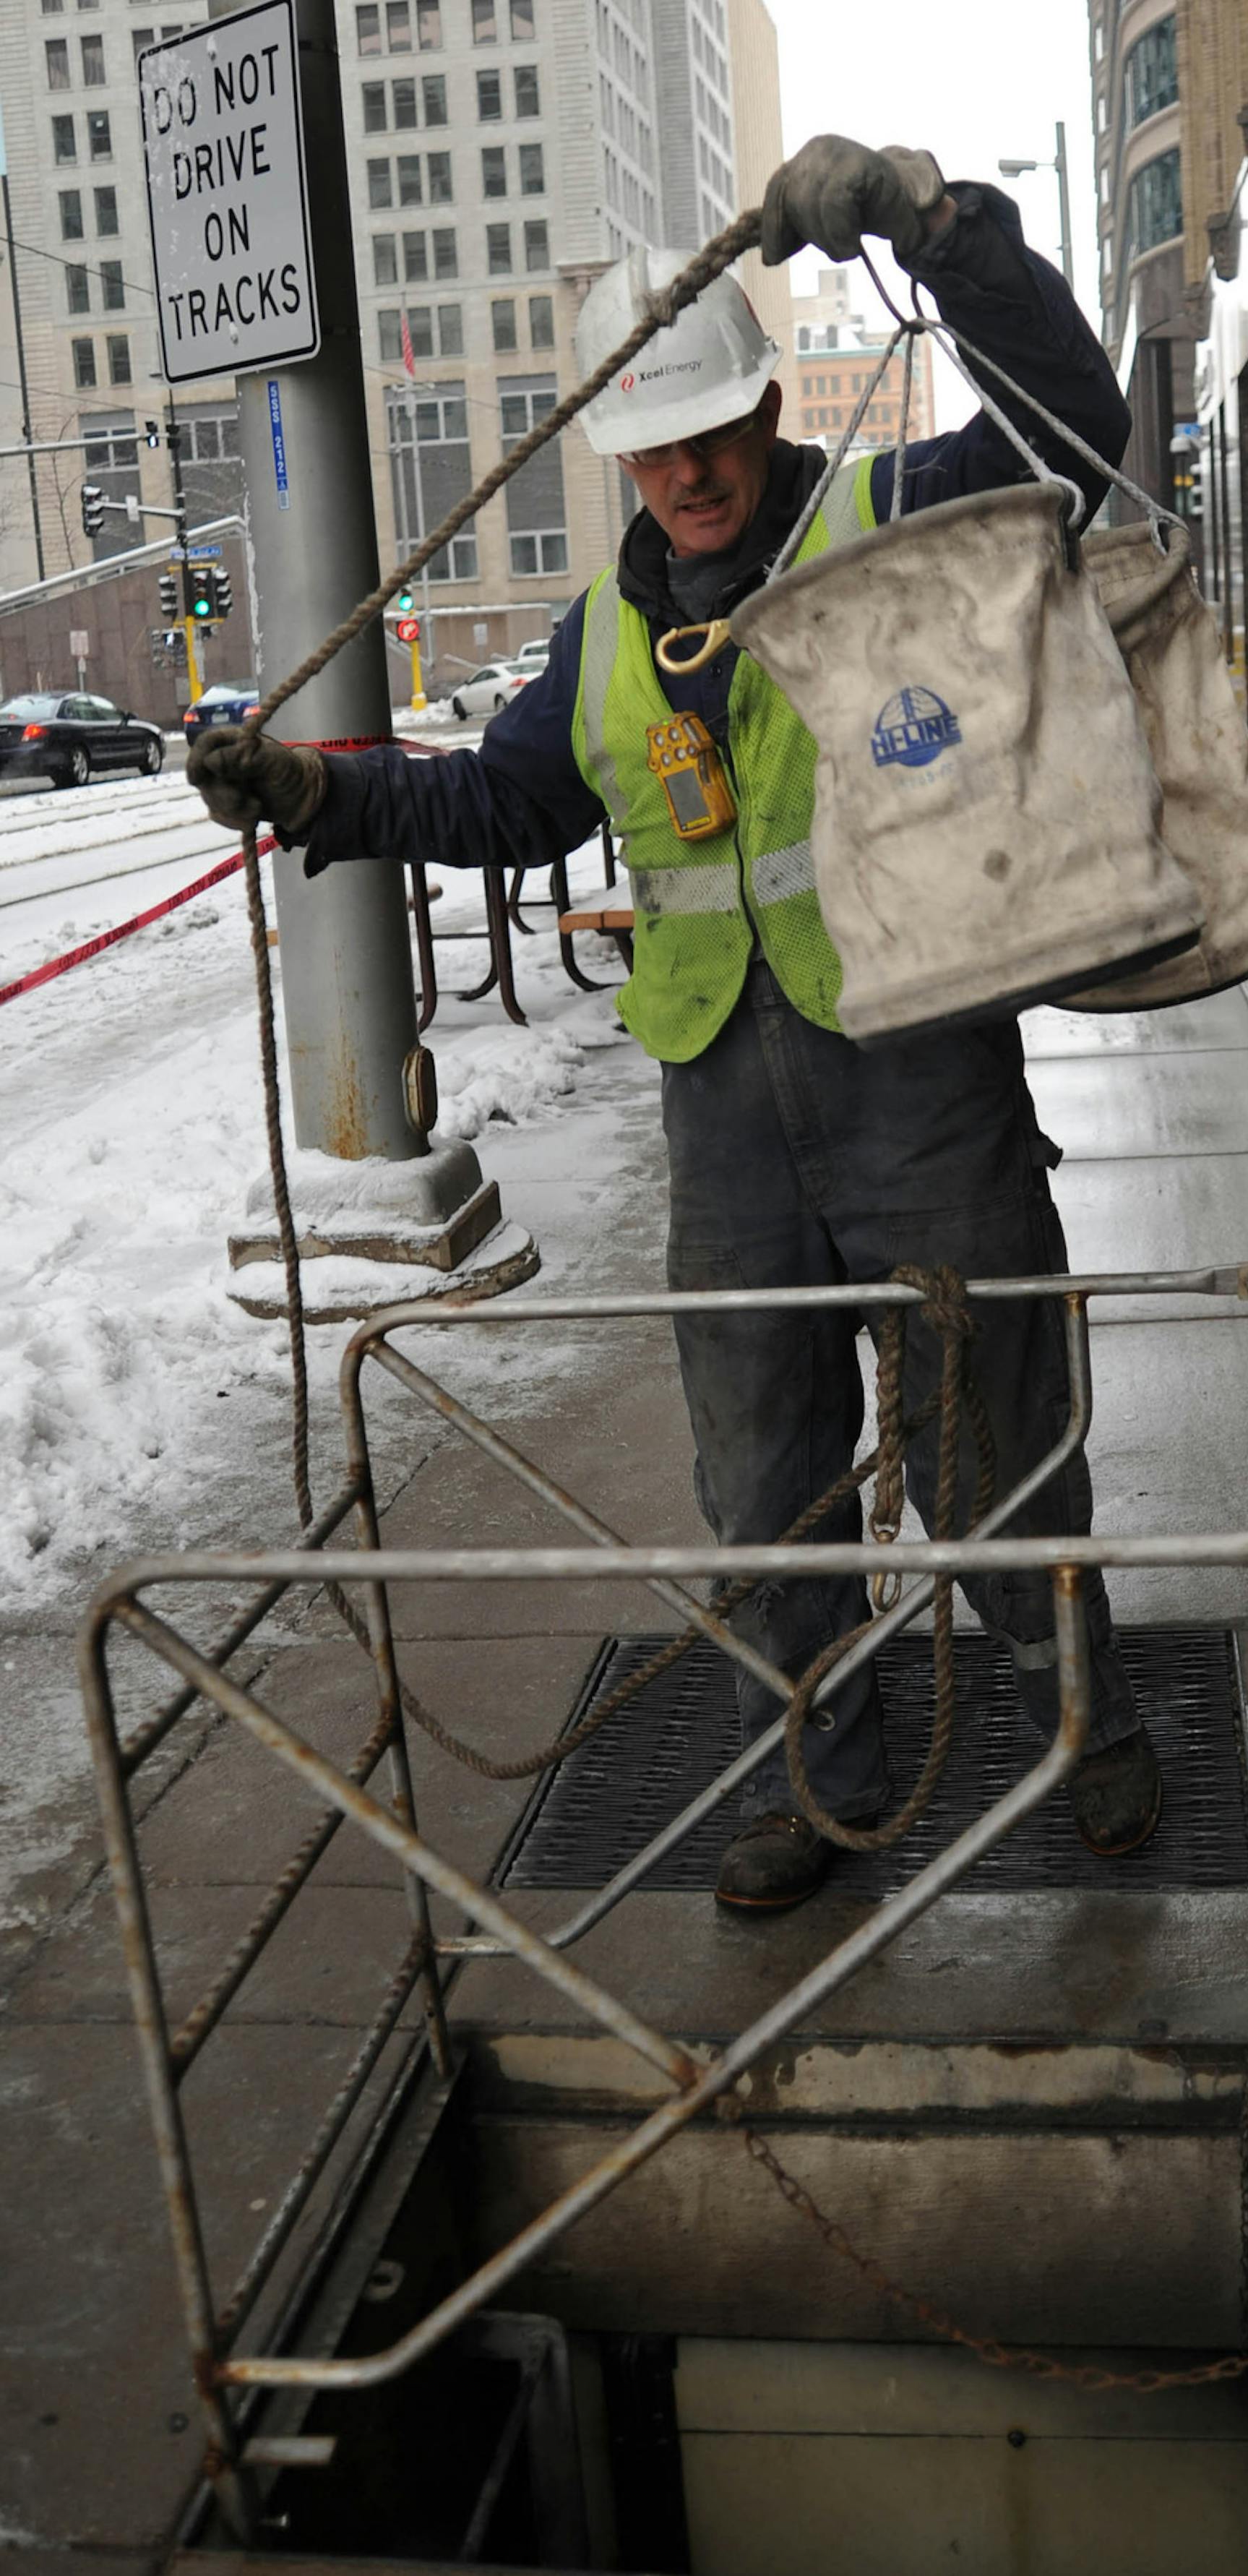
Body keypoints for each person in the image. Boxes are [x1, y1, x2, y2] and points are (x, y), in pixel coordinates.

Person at [191, 136, 1163, 1912]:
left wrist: (947, 236)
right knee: (766, 1490)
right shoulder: (597, 640)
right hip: (725, 1121)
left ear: (769, 406)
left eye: (715, 430)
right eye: (658, 444)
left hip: (923, 1089)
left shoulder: (892, 516)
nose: (694, 470)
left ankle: (1089, 1732)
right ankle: (815, 1773)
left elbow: (1076, 438)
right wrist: (312, 796)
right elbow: (500, 806)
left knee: (997, 1450)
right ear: (621, 454)